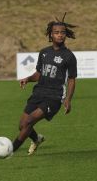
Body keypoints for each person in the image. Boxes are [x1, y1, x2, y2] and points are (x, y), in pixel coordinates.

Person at [12, 13, 77, 155]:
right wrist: (28, 79)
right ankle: (37, 139)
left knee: (29, 122)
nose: (60, 35)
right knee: (22, 125)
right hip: (38, 92)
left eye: (63, 33)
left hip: (54, 96)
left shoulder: (69, 56)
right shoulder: (44, 53)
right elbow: (38, 74)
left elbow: (71, 79)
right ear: (51, 34)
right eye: (56, 32)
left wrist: (68, 100)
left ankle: (10, 149)